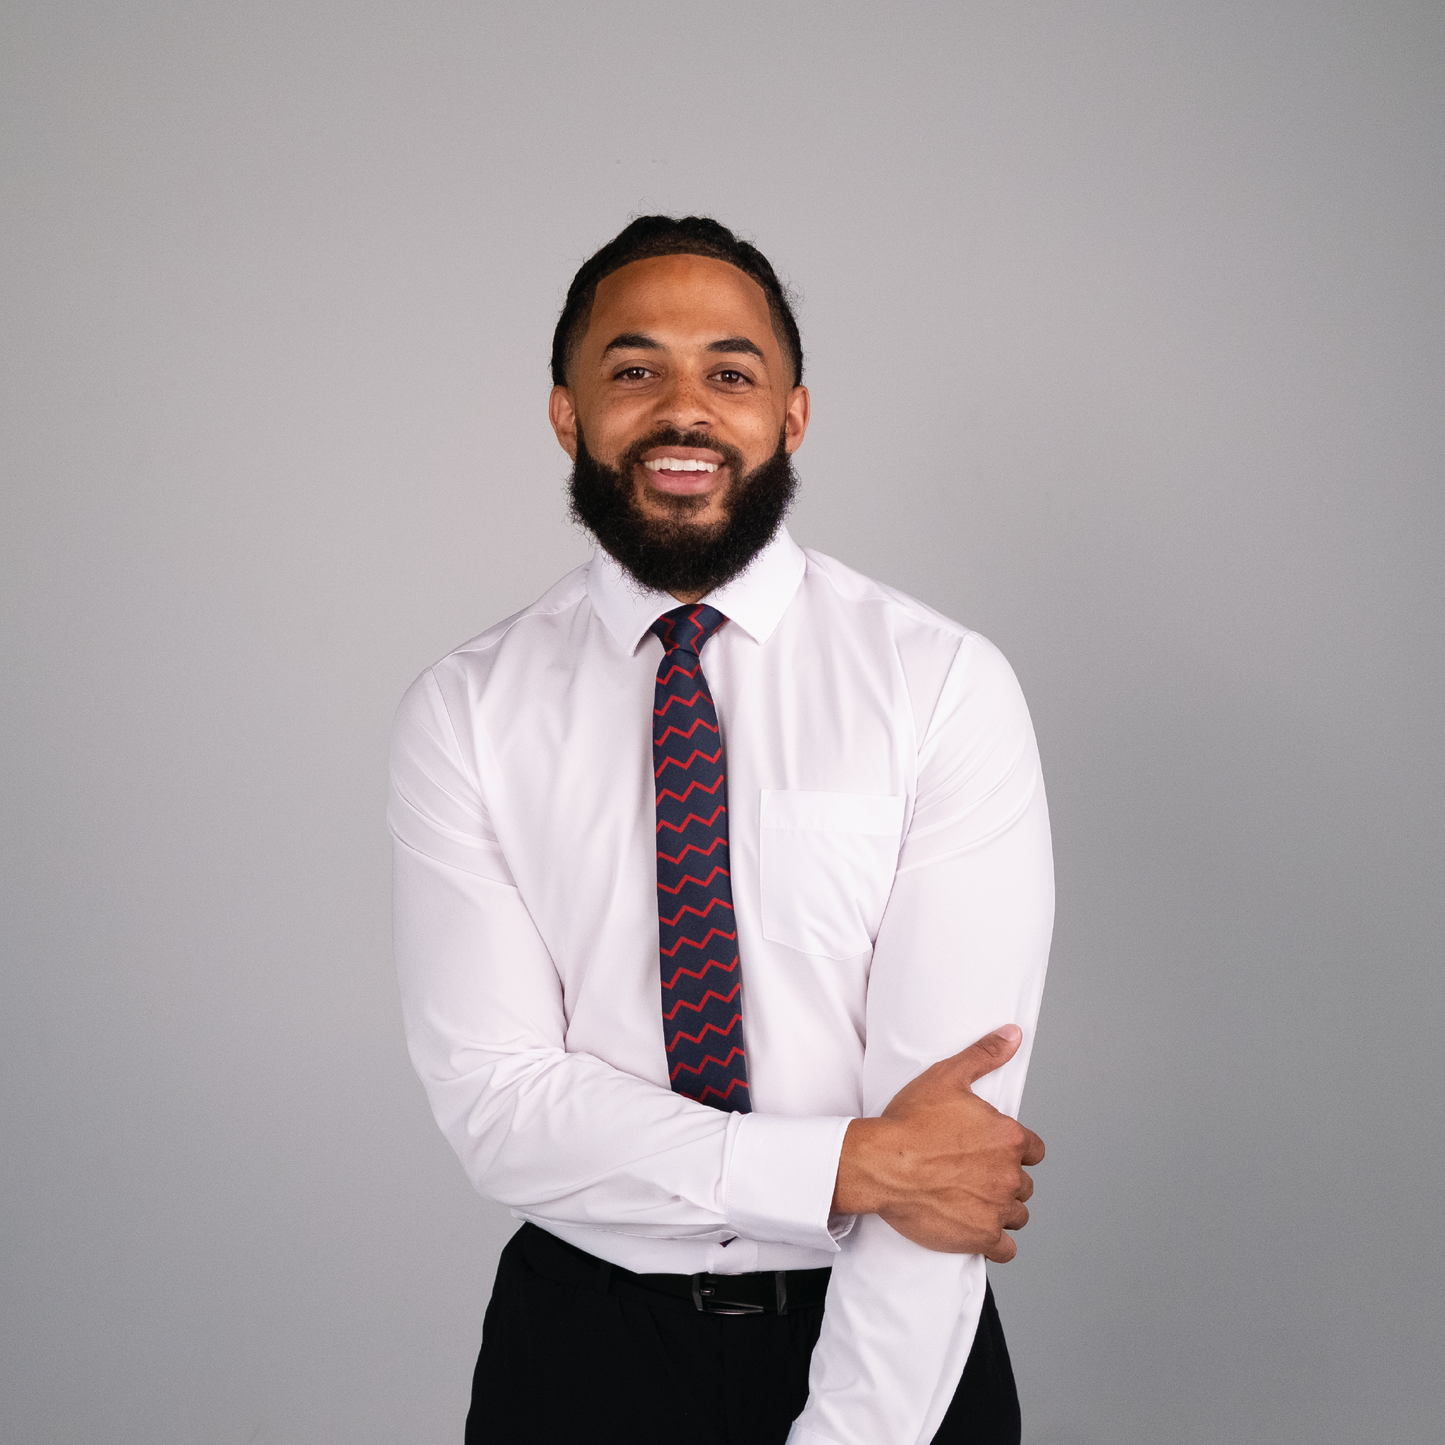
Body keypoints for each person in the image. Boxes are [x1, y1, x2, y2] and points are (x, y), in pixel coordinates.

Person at [389, 215, 1054, 1445]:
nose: (681, 409)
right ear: (566, 415)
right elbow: (499, 1105)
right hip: (577, 1353)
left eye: (730, 373)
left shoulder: (940, 685)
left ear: (791, 416)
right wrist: (841, 1165)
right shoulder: (467, 710)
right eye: (633, 370)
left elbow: (945, 1151)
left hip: (890, 1338)